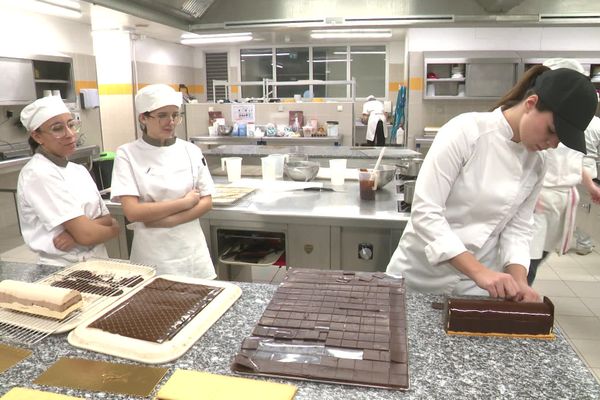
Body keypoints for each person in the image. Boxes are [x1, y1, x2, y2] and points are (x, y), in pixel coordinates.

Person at [386, 67, 598, 302]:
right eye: (551, 131)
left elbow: (518, 228)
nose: (552, 144)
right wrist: (479, 272)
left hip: (476, 289)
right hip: (420, 277)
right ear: (531, 103)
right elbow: (426, 213)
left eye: (560, 140)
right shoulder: (466, 132)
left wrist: (519, 281)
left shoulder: (538, 162)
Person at [110, 84, 216, 278]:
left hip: (191, 251)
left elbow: (207, 201)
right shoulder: (127, 154)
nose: (171, 122)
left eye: (175, 115)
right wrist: (184, 203)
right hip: (152, 253)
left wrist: (169, 220)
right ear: (143, 117)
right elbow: (133, 212)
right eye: (162, 116)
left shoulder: (191, 151)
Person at [17, 96, 120, 266]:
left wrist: (78, 234)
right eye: (58, 129)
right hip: (63, 267)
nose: (70, 134)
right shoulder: (38, 173)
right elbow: (88, 235)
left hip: (99, 260)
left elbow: (109, 220)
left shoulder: (78, 170)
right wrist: (91, 232)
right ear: (37, 136)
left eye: (71, 125)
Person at [527, 59, 600, 285]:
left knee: (541, 254)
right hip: (538, 200)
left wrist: (589, 185)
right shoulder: (539, 126)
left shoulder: (571, 127)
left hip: (561, 202)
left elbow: (575, 160)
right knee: (526, 256)